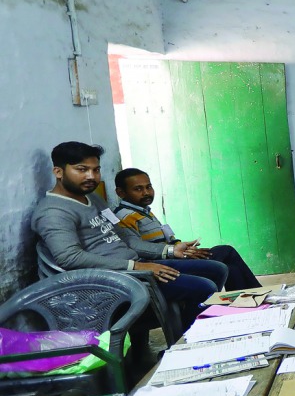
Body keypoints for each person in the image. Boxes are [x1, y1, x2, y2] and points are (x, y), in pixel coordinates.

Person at [31, 142, 228, 333]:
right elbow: (70, 258)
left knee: (216, 269)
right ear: (58, 172)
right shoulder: (53, 212)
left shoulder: (93, 198)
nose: (91, 176)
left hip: (136, 266)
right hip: (112, 280)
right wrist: (137, 267)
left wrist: (168, 250)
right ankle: (188, 340)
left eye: (96, 170)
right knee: (203, 287)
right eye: (81, 169)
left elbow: (124, 236)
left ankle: (187, 328)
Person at [113, 167, 262, 291]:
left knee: (231, 267)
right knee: (226, 251)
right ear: (121, 193)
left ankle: (249, 301)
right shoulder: (124, 216)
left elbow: (166, 238)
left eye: (148, 187)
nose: (146, 192)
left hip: (174, 255)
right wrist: (175, 251)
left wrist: (182, 247)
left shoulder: (144, 211)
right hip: (163, 264)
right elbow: (136, 248)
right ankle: (254, 295)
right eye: (138, 189)